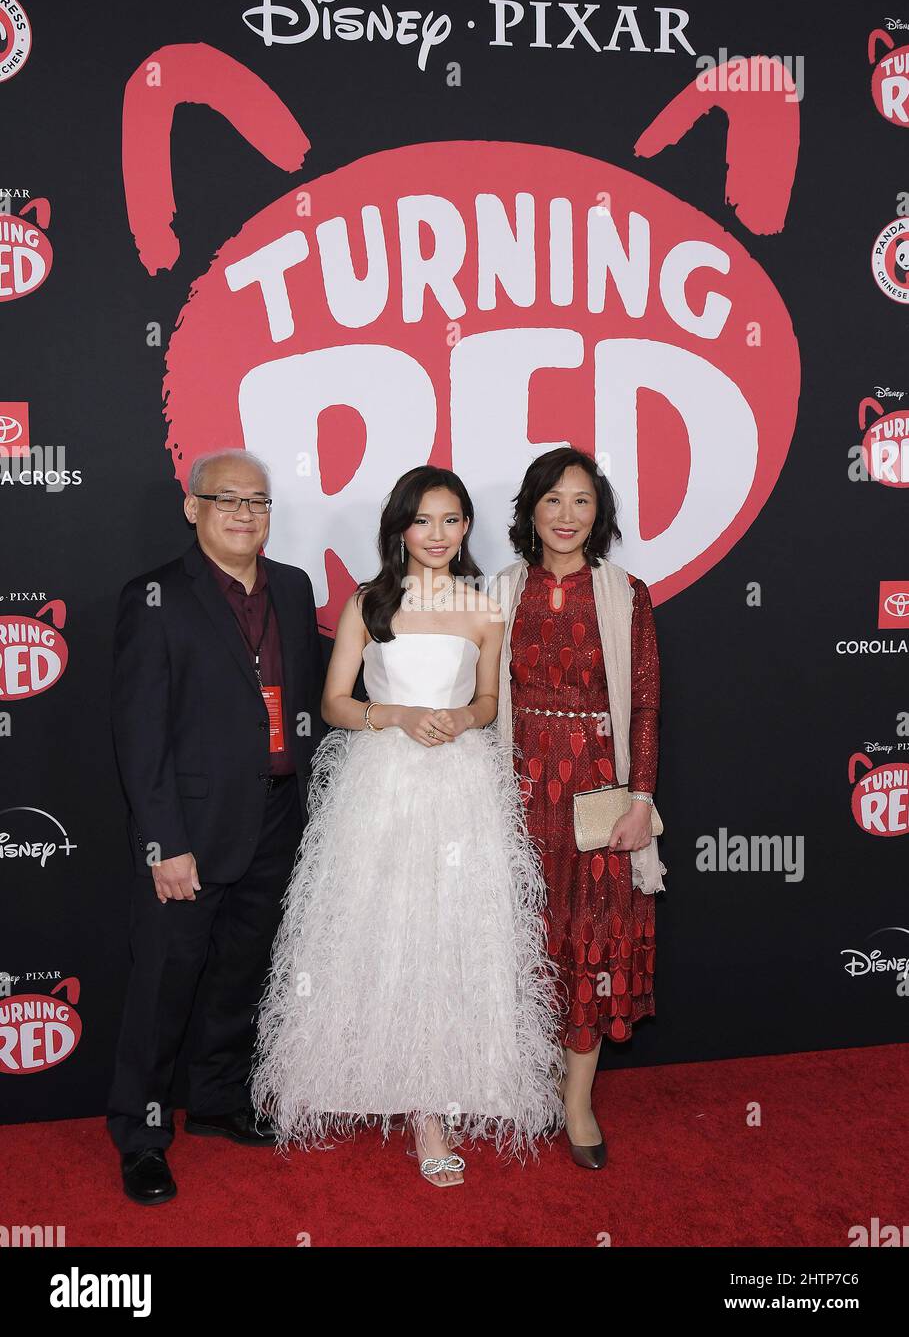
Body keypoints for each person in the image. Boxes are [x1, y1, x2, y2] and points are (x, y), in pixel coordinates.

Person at [251, 465, 563, 1188]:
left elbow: (488, 700)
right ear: (399, 528)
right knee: (380, 930)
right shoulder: (368, 604)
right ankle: (381, 1079)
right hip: (381, 783)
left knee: (450, 935)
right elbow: (332, 703)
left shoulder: (484, 608)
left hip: (459, 785)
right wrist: (391, 716)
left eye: (451, 520)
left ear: (465, 529)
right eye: (422, 521)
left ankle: (436, 1104)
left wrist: (461, 717)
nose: (437, 535)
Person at [107, 449, 326, 1204]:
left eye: (258, 501)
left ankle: (218, 1101)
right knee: (163, 985)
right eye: (226, 499)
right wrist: (164, 843)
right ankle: (140, 1136)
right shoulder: (155, 596)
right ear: (192, 507)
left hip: (272, 815)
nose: (244, 513)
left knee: (241, 971)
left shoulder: (293, 590)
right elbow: (140, 736)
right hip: (191, 828)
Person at [490, 446, 666, 1171]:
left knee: (588, 946)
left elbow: (645, 705)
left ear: (600, 514)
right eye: (553, 500)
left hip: (597, 796)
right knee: (519, 943)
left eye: (582, 501)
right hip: (515, 790)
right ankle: (515, 1087)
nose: (566, 515)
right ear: (529, 510)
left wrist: (641, 799)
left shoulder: (627, 593)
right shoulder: (497, 591)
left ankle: (576, 1103)